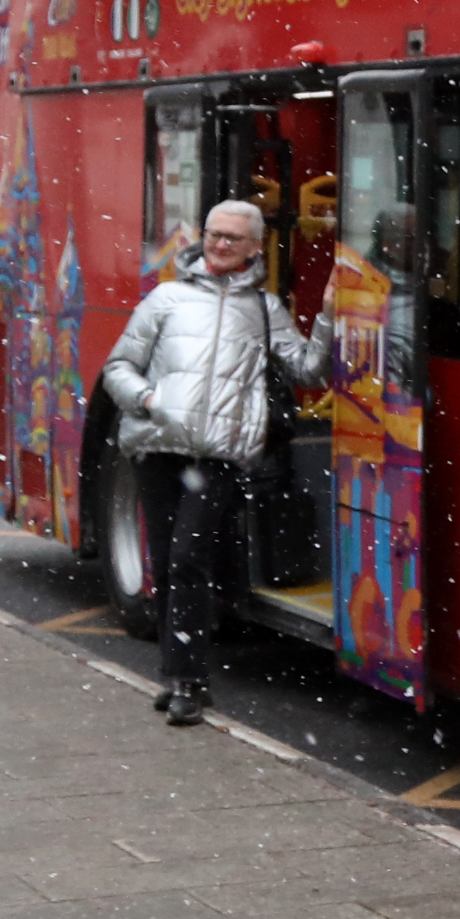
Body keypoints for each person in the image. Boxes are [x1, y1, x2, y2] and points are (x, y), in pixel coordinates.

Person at [100, 198, 322, 728]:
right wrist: (149, 401)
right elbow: (118, 367)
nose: (219, 245)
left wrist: (336, 308)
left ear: (254, 248)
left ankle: (188, 682)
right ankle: (176, 675)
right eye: (213, 234)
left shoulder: (265, 311)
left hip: (218, 456)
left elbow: (311, 369)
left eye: (232, 239)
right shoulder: (165, 299)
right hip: (158, 448)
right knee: (167, 561)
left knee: (188, 561)